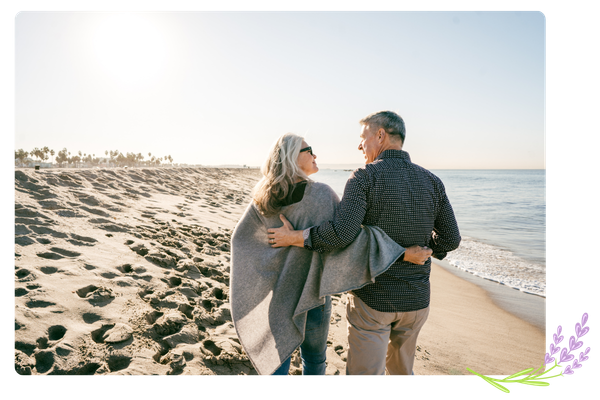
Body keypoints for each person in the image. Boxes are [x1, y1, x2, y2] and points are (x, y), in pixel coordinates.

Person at [267, 111, 461, 376]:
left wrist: (296, 237)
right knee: (403, 373)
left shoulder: (364, 177)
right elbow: (451, 239)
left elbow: (341, 234)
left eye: (363, 137)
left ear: (380, 135)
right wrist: (427, 250)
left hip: (374, 300)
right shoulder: (432, 181)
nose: (360, 145)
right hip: (416, 300)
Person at [230, 132, 430, 377]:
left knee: (277, 358)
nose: (315, 155)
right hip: (313, 292)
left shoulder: (263, 197)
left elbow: (241, 241)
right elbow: (351, 239)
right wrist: (401, 253)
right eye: (309, 150)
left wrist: (269, 267)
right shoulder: (322, 195)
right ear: (292, 157)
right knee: (314, 359)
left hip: (278, 293)